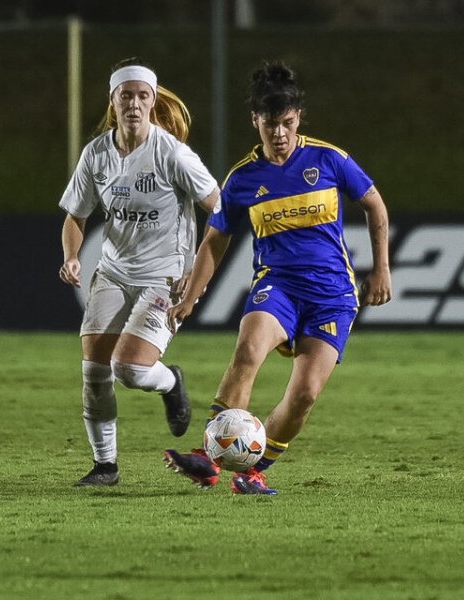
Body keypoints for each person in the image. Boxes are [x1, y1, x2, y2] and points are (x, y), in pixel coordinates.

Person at [163, 61, 392, 495]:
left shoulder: (329, 159)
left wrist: (381, 268)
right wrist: (191, 295)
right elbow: (215, 239)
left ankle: (253, 470)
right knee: (248, 350)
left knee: (304, 395)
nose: (280, 133)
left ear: (298, 117)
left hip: (332, 296)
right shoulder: (243, 179)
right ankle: (208, 458)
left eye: (287, 123)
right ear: (256, 120)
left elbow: (374, 204)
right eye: (271, 124)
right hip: (278, 286)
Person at [59, 58, 220, 486]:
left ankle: (170, 382)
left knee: (129, 369)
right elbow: (75, 215)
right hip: (112, 273)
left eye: (142, 96)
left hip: (163, 277)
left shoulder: (173, 153)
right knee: (94, 373)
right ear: (113, 101)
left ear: (152, 102)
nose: (133, 103)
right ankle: (105, 466)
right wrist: (72, 256)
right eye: (125, 96)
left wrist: (195, 269)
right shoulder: (96, 154)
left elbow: (219, 208)